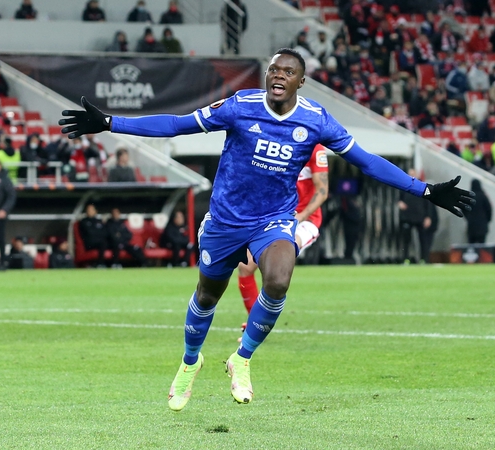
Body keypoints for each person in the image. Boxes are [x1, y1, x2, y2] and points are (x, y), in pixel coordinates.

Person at [59, 48, 474, 411]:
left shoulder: (316, 120)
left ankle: (241, 358)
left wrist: (423, 189)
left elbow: (366, 160)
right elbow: (177, 124)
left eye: (287, 72)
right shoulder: (240, 106)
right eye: (274, 70)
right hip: (224, 220)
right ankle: (190, 363)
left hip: (273, 220)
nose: (278, 76)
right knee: (207, 294)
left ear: (301, 81)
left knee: (277, 279)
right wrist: (111, 122)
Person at [236, 144, 329, 323]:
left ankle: (260, 322)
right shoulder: (277, 142)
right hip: (276, 218)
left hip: (305, 221)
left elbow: (322, 190)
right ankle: (255, 322)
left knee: (275, 260)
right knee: (245, 266)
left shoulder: (315, 149)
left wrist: (300, 216)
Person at [398, 168, 437, 263]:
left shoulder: (422, 186)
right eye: (410, 174)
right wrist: (400, 203)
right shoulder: (403, 187)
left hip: (420, 217)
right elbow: (399, 199)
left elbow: (428, 203)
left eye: (413, 174)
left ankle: (424, 259)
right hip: (407, 217)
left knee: (423, 240)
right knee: (406, 240)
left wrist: (428, 217)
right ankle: (405, 259)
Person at [464, 179, 492, 244]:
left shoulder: (469, 196)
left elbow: (463, 208)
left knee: (471, 246)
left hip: (472, 226)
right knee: (482, 246)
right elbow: (489, 209)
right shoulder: (483, 196)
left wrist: (468, 217)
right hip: (482, 226)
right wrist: (487, 220)